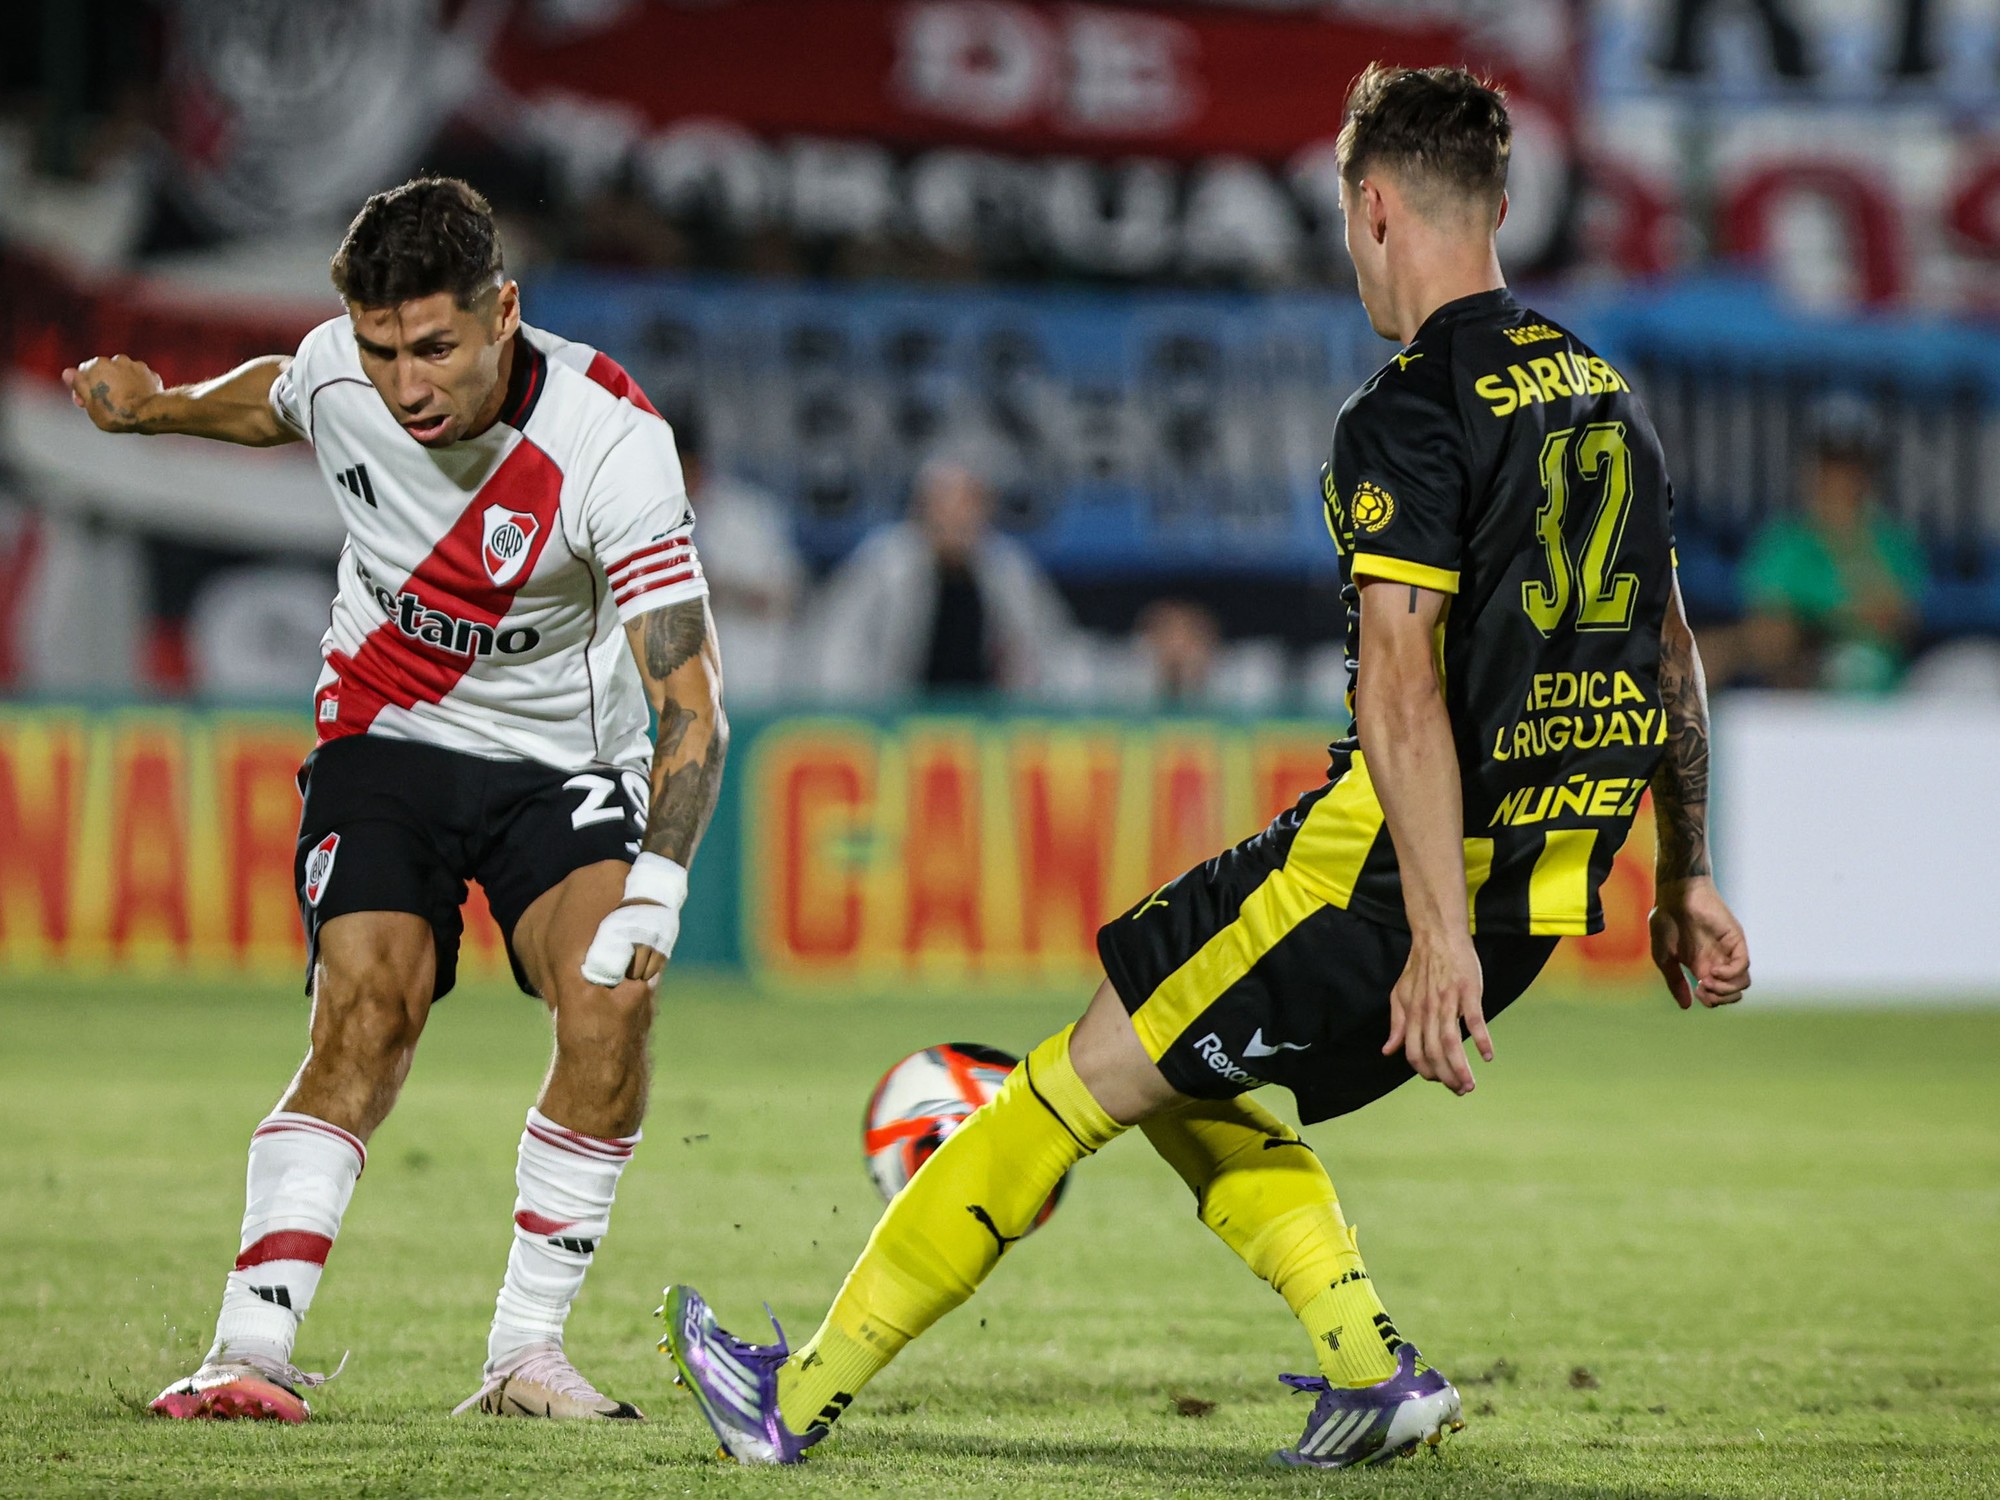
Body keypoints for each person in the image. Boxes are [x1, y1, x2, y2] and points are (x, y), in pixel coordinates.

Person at [660, 65, 1750, 1470]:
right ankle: (1370, 1369)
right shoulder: (1611, 400)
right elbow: (1670, 651)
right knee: (1167, 1037)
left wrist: (1426, 937)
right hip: (1533, 899)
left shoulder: (1409, 413)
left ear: (1371, 208)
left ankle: (791, 1402)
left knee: (1071, 1080)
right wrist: (1689, 875)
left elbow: (1406, 687)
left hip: (1391, 883)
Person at [63, 178, 727, 1424]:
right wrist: (156, 410)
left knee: (610, 1004)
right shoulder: (343, 374)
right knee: (368, 1009)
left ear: (504, 315)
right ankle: (246, 1354)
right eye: (381, 352)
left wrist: (661, 882)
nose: (406, 387)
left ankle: (525, 1357)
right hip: (385, 731)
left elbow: (690, 706)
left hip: (562, 761)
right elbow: (279, 394)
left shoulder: (609, 441)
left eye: (433, 348)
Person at [806, 451, 1071, 700]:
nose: (957, 517)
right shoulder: (886, 563)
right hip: (897, 720)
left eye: (969, 504)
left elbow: (1045, 646)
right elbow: (838, 644)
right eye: (946, 504)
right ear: (922, 508)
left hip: (985, 724)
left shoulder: (1005, 568)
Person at [1722, 398, 1926, 694]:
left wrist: (1847, 542)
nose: (1840, 479)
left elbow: (1892, 618)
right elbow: (1770, 635)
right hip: (1804, 696)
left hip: (1886, 698)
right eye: (1831, 466)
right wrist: (1839, 620)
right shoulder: (1783, 543)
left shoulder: (1890, 542)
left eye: (1852, 466)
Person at [668, 406, 805, 706]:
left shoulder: (749, 517)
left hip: (747, 680)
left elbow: (786, 597)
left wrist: (715, 585)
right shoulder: (636, 519)